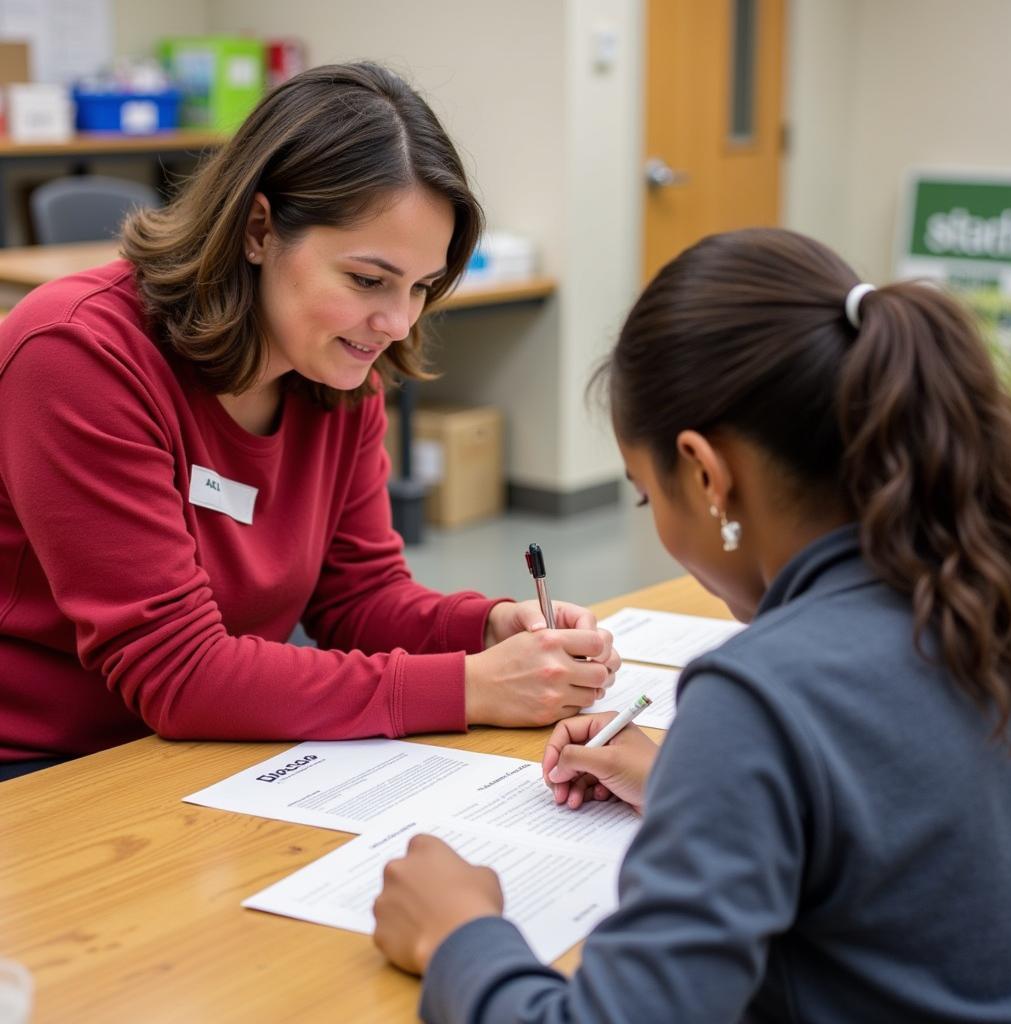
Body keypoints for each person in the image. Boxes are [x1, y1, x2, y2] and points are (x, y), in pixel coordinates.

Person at [372, 227, 1011, 1023]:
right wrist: (695, 784)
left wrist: (458, 934)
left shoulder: (759, 697)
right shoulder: (985, 591)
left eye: (648, 495)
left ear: (708, 475)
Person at [0, 63, 618, 780]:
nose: (395, 322)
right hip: (46, 767)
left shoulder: (336, 368)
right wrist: (472, 686)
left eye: (420, 287)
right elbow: (178, 674)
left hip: (215, 740)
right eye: (366, 280)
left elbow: (357, 596)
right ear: (259, 229)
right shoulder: (77, 353)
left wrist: (484, 628)